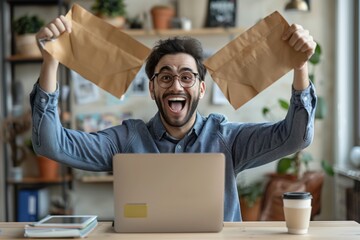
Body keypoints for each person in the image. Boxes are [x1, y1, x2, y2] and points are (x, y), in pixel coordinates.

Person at [31, 15, 317, 221]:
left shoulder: (227, 138)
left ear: (201, 89)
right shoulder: (126, 139)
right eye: (165, 77)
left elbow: (295, 137)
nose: (176, 86)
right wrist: (51, 61)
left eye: (187, 77)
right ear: (153, 88)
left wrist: (300, 66)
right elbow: (51, 145)